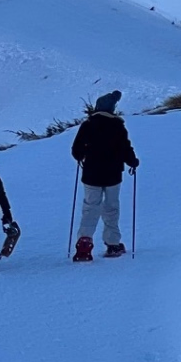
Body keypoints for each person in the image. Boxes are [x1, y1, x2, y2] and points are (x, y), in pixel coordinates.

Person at [70, 90, 139, 261]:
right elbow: (125, 149)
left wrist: (83, 155)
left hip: (91, 174)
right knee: (111, 208)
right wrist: (133, 162)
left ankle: (84, 244)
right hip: (113, 175)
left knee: (90, 208)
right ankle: (113, 243)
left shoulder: (87, 125)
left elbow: (76, 150)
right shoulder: (118, 126)